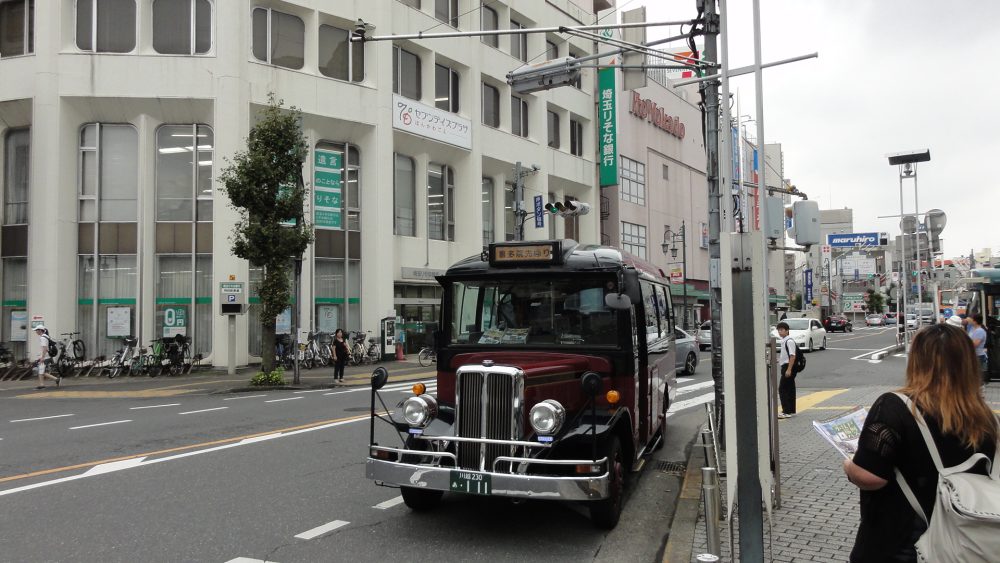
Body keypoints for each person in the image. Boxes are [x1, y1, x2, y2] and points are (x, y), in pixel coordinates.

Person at [843, 323, 998, 562]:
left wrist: (849, 464)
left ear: (917, 361)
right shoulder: (987, 418)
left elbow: (870, 477)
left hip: (901, 543)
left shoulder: (895, 407)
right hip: (967, 543)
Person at [776, 321, 798, 418]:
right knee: (790, 389)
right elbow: (786, 355)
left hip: (788, 367)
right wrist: (779, 360)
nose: (780, 332)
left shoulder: (789, 341)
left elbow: (792, 356)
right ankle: (791, 410)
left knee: (782, 389)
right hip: (787, 365)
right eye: (778, 330)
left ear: (787, 330)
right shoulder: (785, 340)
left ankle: (786, 411)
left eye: (782, 330)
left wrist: (789, 369)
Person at [33, 325, 60, 390]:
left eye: (36, 330)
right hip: (46, 356)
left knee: (41, 371)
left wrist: (42, 357)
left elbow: (44, 348)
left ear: (40, 330)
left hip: (45, 357)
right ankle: (56, 379)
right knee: (42, 371)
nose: (36, 331)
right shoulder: (46, 336)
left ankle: (42, 385)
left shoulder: (43, 338)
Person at [966, 313, 989, 383]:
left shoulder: (980, 331)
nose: (970, 320)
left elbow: (975, 344)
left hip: (978, 355)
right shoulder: (972, 328)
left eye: (972, 319)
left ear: (975, 321)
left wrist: (965, 343)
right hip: (973, 354)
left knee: (977, 375)